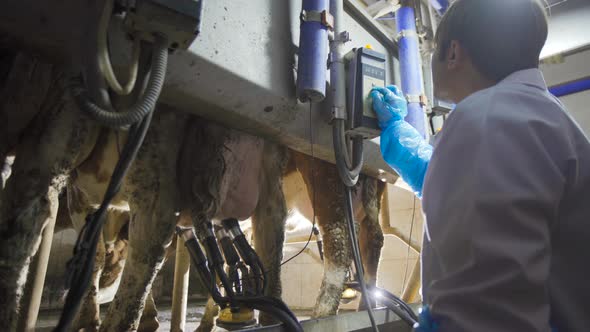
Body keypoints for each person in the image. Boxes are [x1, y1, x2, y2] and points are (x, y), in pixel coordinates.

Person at [371, 0, 590, 331]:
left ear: (454, 53)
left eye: (433, 49)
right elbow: (483, 192)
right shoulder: (543, 117)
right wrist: (398, 134)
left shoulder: (486, 117)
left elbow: (486, 310)